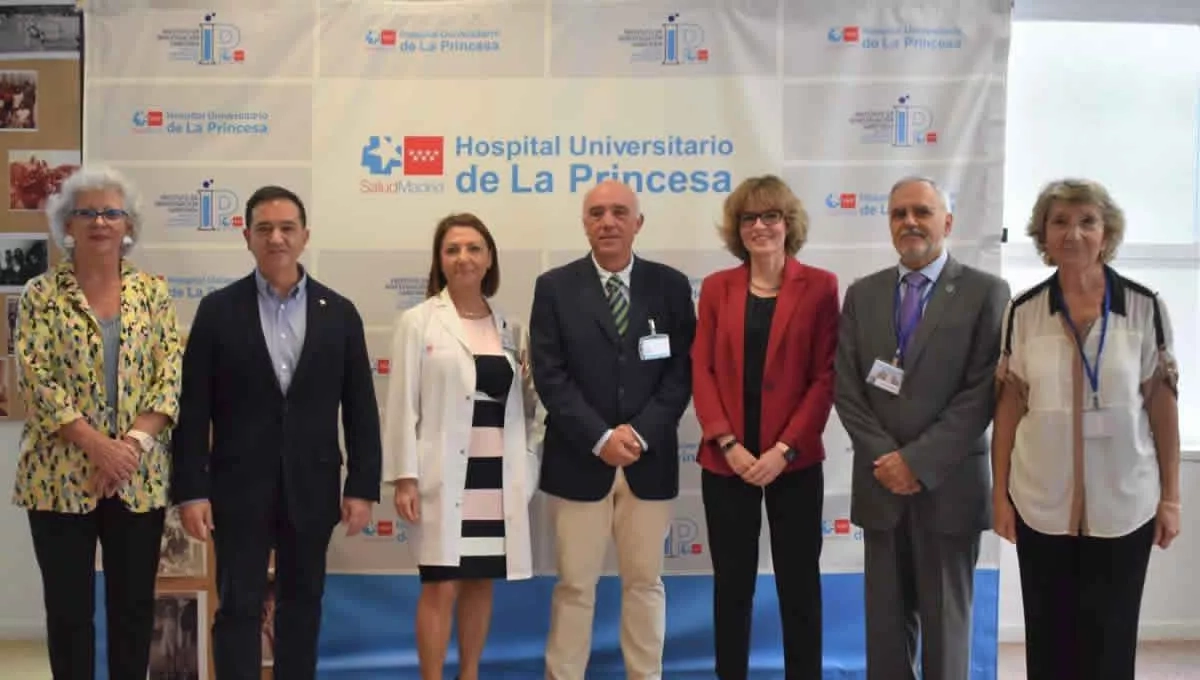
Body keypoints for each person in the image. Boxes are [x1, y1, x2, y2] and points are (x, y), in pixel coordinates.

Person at [171, 185, 382, 680]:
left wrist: (362, 486)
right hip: (237, 489)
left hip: (312, 487)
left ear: (305, 236)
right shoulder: (217, 311)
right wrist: (192, 491)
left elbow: (361, 408)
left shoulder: (340, 313)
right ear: (246, 237)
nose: (276, 238)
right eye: (264, 228)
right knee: (237, 607)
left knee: (302, 605)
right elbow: (193, 409)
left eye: (287, 228)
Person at [991, 178, 1181, 680]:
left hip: (1124, 503)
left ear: (1106, 233)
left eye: (1087, 222)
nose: (1073, 233)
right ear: (1043, 235)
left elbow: (1162, 408)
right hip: (1040, 503)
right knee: (1049, 640)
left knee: (1110, 641)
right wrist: (999, 495)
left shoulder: (1144, 307)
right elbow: (1008, 409)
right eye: (1060, 222)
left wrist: (1172, 497)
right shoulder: (1023, 311)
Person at [833, 176, 1010, 680]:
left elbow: (981, 393)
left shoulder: (986, 292)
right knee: (885, 631)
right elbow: (847, 388)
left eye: (922, 212)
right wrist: (887, 461)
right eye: (899, 214)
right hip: (880, 485)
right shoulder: (863, 294)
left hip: (948, 487)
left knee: (946, 629)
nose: (909, 222)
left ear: (947, 222)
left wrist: (916, 462)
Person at [13, 165, 182, 679]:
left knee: (133, 609)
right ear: (68, 224)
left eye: (111, 212)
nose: (100, 222)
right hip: (58, 475)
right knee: (69, 613)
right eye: (87, 212)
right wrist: (97, 447)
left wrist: (127, 447)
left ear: (128, 224)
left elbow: (169, 375)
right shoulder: (40, 294)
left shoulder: (153, 293)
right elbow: (36, 379)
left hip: (137, 474)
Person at [531, 179, 696, 680]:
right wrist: (601, 438)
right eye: (597, 213)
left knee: (645, 584)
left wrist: (639, 434)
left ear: (637, 223)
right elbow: (550, 376)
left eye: (620, 212)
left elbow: (681, 372)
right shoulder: (554, 287)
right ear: (584, 223)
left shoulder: (670, 286)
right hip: (578, 460)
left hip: (650, 461)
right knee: (575, 586)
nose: (608, 222)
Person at [690, 175, 838, 679]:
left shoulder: (820, 286)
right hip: (727, 462)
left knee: (799, 586)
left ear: (787, 223)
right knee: (732, 587)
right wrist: (727, 442)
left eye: (770, 216)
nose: (759, 226)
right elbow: (702, 369)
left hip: (793, 463)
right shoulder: (717, 288)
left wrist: (785, 449)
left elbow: (825, 377)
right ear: (737, 229)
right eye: (748, 218)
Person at [385, 213, 543, 680]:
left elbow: (530, 404)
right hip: (443, 475)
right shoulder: (418, 322)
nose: (463, 258)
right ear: (439, 260)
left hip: (496, 476)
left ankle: (469, 673)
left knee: (479, 581)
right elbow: (401, 405)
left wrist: (529, 460)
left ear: (489, 258)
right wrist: (405, 478)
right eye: (452, 249)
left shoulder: (510, 327)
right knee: (440, 584)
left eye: (474, 248)